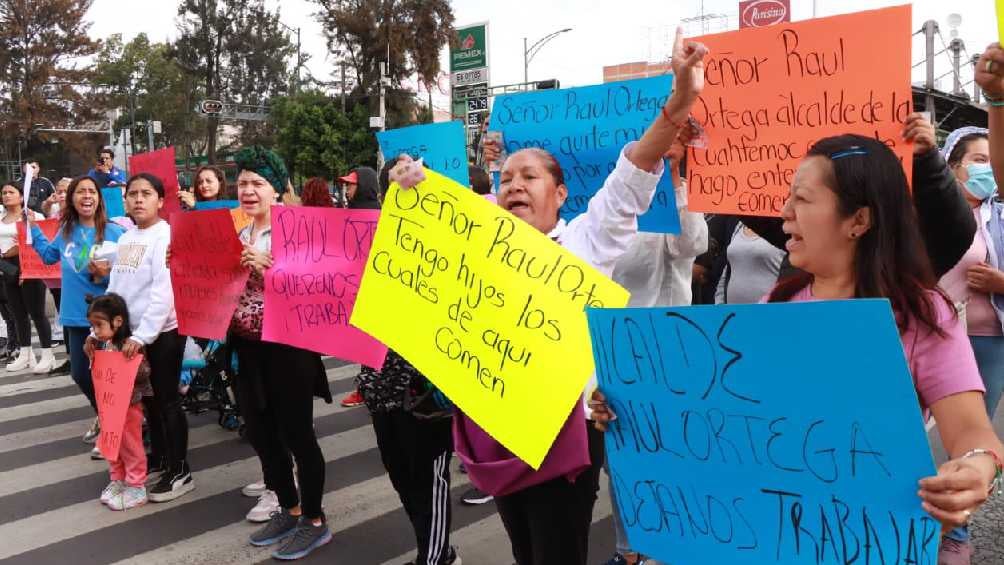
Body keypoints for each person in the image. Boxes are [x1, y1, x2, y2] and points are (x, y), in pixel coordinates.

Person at [594, 134, 1004, 565]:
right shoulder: (776, 304)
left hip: (867, 544)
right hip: (767, 541)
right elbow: (729, 424)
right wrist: (634, 405)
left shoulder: (921, 314)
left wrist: (977, 467)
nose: (784, 213)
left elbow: (974, 434)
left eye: (802, 199)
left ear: (858, 220)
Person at [393, 28, 709, 565]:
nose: (515, 184)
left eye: (530, 176)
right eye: (507, 177)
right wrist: (410, 184)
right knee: (523, 549)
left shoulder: (587, 239)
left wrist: (679, 102)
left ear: (560, 194)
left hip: (569, 437)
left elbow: (635, 170)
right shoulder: (479, 249)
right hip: (498, 431)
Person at [227, 145, 332, 560]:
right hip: (246, 349)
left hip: (289, 348)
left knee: (297, 436)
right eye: (242, 183)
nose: (248, 190)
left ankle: (315, 518)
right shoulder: (238, 232)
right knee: (260, 432)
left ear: (277, 189)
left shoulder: (300, 229)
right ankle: (287, 506)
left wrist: (271, 268)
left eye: (258, 183)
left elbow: (322, 286)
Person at [87, 172, 192, 502]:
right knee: (147, 403)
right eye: (133, 193)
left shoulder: (166, 236)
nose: (138, 199)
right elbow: (115, 289)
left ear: (161, 201)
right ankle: (160, 460)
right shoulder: (126, 238)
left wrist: (143, 336)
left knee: (167, 400)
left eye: (147, 193)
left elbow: (165, 292)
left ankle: (180, 469)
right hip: (131, 336)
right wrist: (100, 330)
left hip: (161, 334)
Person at [31, 175, 126, 450]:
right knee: (81, 374)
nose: (87, 196)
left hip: (108, 318)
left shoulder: (115, 232)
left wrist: (106, 276)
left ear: (99, 198)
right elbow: (49, 256)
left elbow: (128, 276)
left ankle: (113, 425)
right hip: (75, 314)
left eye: (91, 191)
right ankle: (104, 414)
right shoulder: (66, 230)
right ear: (71, 198)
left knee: (109, 374)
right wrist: (33, 229)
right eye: (81, 192)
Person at [938, 126, 1004, 420]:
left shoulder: (999, 218)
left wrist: (1001, 283)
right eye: (980, 159)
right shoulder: (925, 216)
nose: (989, 169)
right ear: (953, 167)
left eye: (994, 161)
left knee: (975, 428)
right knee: (912, 426)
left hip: (989, 340)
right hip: (933, 335)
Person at [89, 292, 153, 511]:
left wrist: (129, 363)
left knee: (130, 446)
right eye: (93, 326)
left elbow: (144, 372)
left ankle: (136, 485)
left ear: (117, 321)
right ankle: (118, 479)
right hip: (110, 407)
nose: (95, 331)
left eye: (99, 325)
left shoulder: (129, 345)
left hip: (128, 407)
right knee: (111, 443)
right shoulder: (104, 345)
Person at [0, 180, 56, 373]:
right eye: (4, 192)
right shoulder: (0, 218)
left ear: (21, 196)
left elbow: (43, 241)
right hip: (8, 269)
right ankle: (26, 354)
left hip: (30, 266)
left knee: (37, 314)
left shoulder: (32, 216)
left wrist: (22, 251)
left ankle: (48, 355)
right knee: (18, 315)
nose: (6, 195)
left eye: (11, 192)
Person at [339, 167, 381, 409]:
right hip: (358, 288)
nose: (347, 189)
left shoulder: (369, 214)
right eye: (346, 185)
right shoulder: (352, 212)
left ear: (364, 185)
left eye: (351, 185)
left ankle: (367, 389)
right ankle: (367, 387)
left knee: (370, 346)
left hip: (370, 291)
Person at [714, 220, 786, 304]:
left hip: (771, 311)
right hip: (734, 312)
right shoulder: (740, 225)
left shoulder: (785, 226)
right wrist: (719, 302)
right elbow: (728, 270)